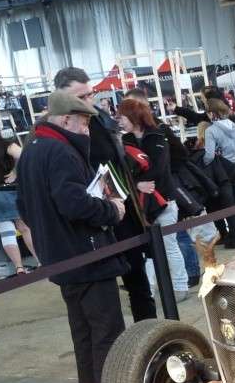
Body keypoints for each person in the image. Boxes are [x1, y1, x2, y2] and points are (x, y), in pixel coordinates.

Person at [16, 91, 127, 383]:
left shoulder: (31, 150)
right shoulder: (61, 151)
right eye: (84, 124)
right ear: (65, 119)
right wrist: (112, 210)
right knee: (106, 333)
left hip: (62, 258)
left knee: (84, 336)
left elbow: (24, 207)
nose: (87, 131)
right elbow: (74, 203)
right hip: (87, 256)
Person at [52, 67, 157, 320]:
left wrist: (131, 189)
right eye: (81, 97)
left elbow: (116, 160)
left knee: (138, 283)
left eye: (91, 94)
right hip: (87, 222)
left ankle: (151, 340)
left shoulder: (99, 118)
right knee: (100, 303)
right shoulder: (56, 130)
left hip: (122, 212)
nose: (89, 101)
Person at [117, 97, 190, 300]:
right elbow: (123, 172)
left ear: (133, 116)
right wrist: (137, 185)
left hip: (164, 201)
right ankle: (148, 291)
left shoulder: (158, 136)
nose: (120, 121)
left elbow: (159, 168)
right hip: (140, 205)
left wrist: (140, 182)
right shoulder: (125, 140)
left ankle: (180, 287)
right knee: (147, 250)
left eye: (122, 117)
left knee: (169, 245)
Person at [202, 102, 235, 247]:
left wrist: (204, 163)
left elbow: (209, 155)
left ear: (213, 113)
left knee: (229, 206)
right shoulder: (234, 126)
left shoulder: (211, 131)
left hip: (223, 170)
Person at [0, 120, 37, 276]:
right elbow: (27, 156)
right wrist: (16, 172)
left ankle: (19, 268)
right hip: (11, 192)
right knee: (26, 228)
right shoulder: (5, 144)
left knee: (7, 233)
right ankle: (41, 261)